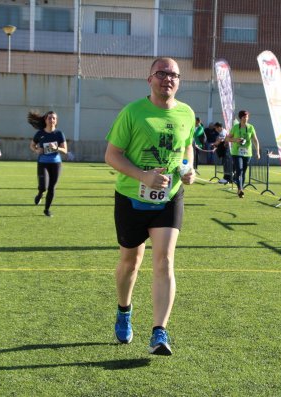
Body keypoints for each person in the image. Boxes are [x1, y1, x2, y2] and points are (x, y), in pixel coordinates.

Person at [104, 57, 195, 356]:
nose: (167, 79)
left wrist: (187, 169)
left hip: (169, 198)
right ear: (150, 79)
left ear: (179, 81)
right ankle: (124, 310)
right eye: (161, 74)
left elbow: (186, 148)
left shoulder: (187, 113)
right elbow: (112, 155)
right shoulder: (132, 113)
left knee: (164, 260)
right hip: (131, 197)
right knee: (130, 263)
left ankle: (159, 332)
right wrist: (143, 176)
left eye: (173, 75)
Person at [28, 110, 67, 217]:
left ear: (56, 121)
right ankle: (40, 193)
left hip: (56, 163)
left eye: (54, 118)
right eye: (49, 118)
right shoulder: (40, 133)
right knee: (43, 186)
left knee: (52, 187)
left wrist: (57, 148)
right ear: (45, 120)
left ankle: (47, 209)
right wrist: (36, 150)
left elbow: (65, 150)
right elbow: (32, 145)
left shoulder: (59, 134)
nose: (51, 120)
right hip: (43, 163)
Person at [226, 110, 260, 198]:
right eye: (244, 117)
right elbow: (227, 139)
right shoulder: (235, 127)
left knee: (243, 172)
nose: (246, 118)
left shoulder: (250, 127)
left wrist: (258, 152)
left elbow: (255, 140)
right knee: (239, 170)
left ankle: (240, 188)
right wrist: (235, 140)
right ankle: (240, 189)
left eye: (247, 117)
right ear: (241, 118)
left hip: (247, 153)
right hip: (236, 152)